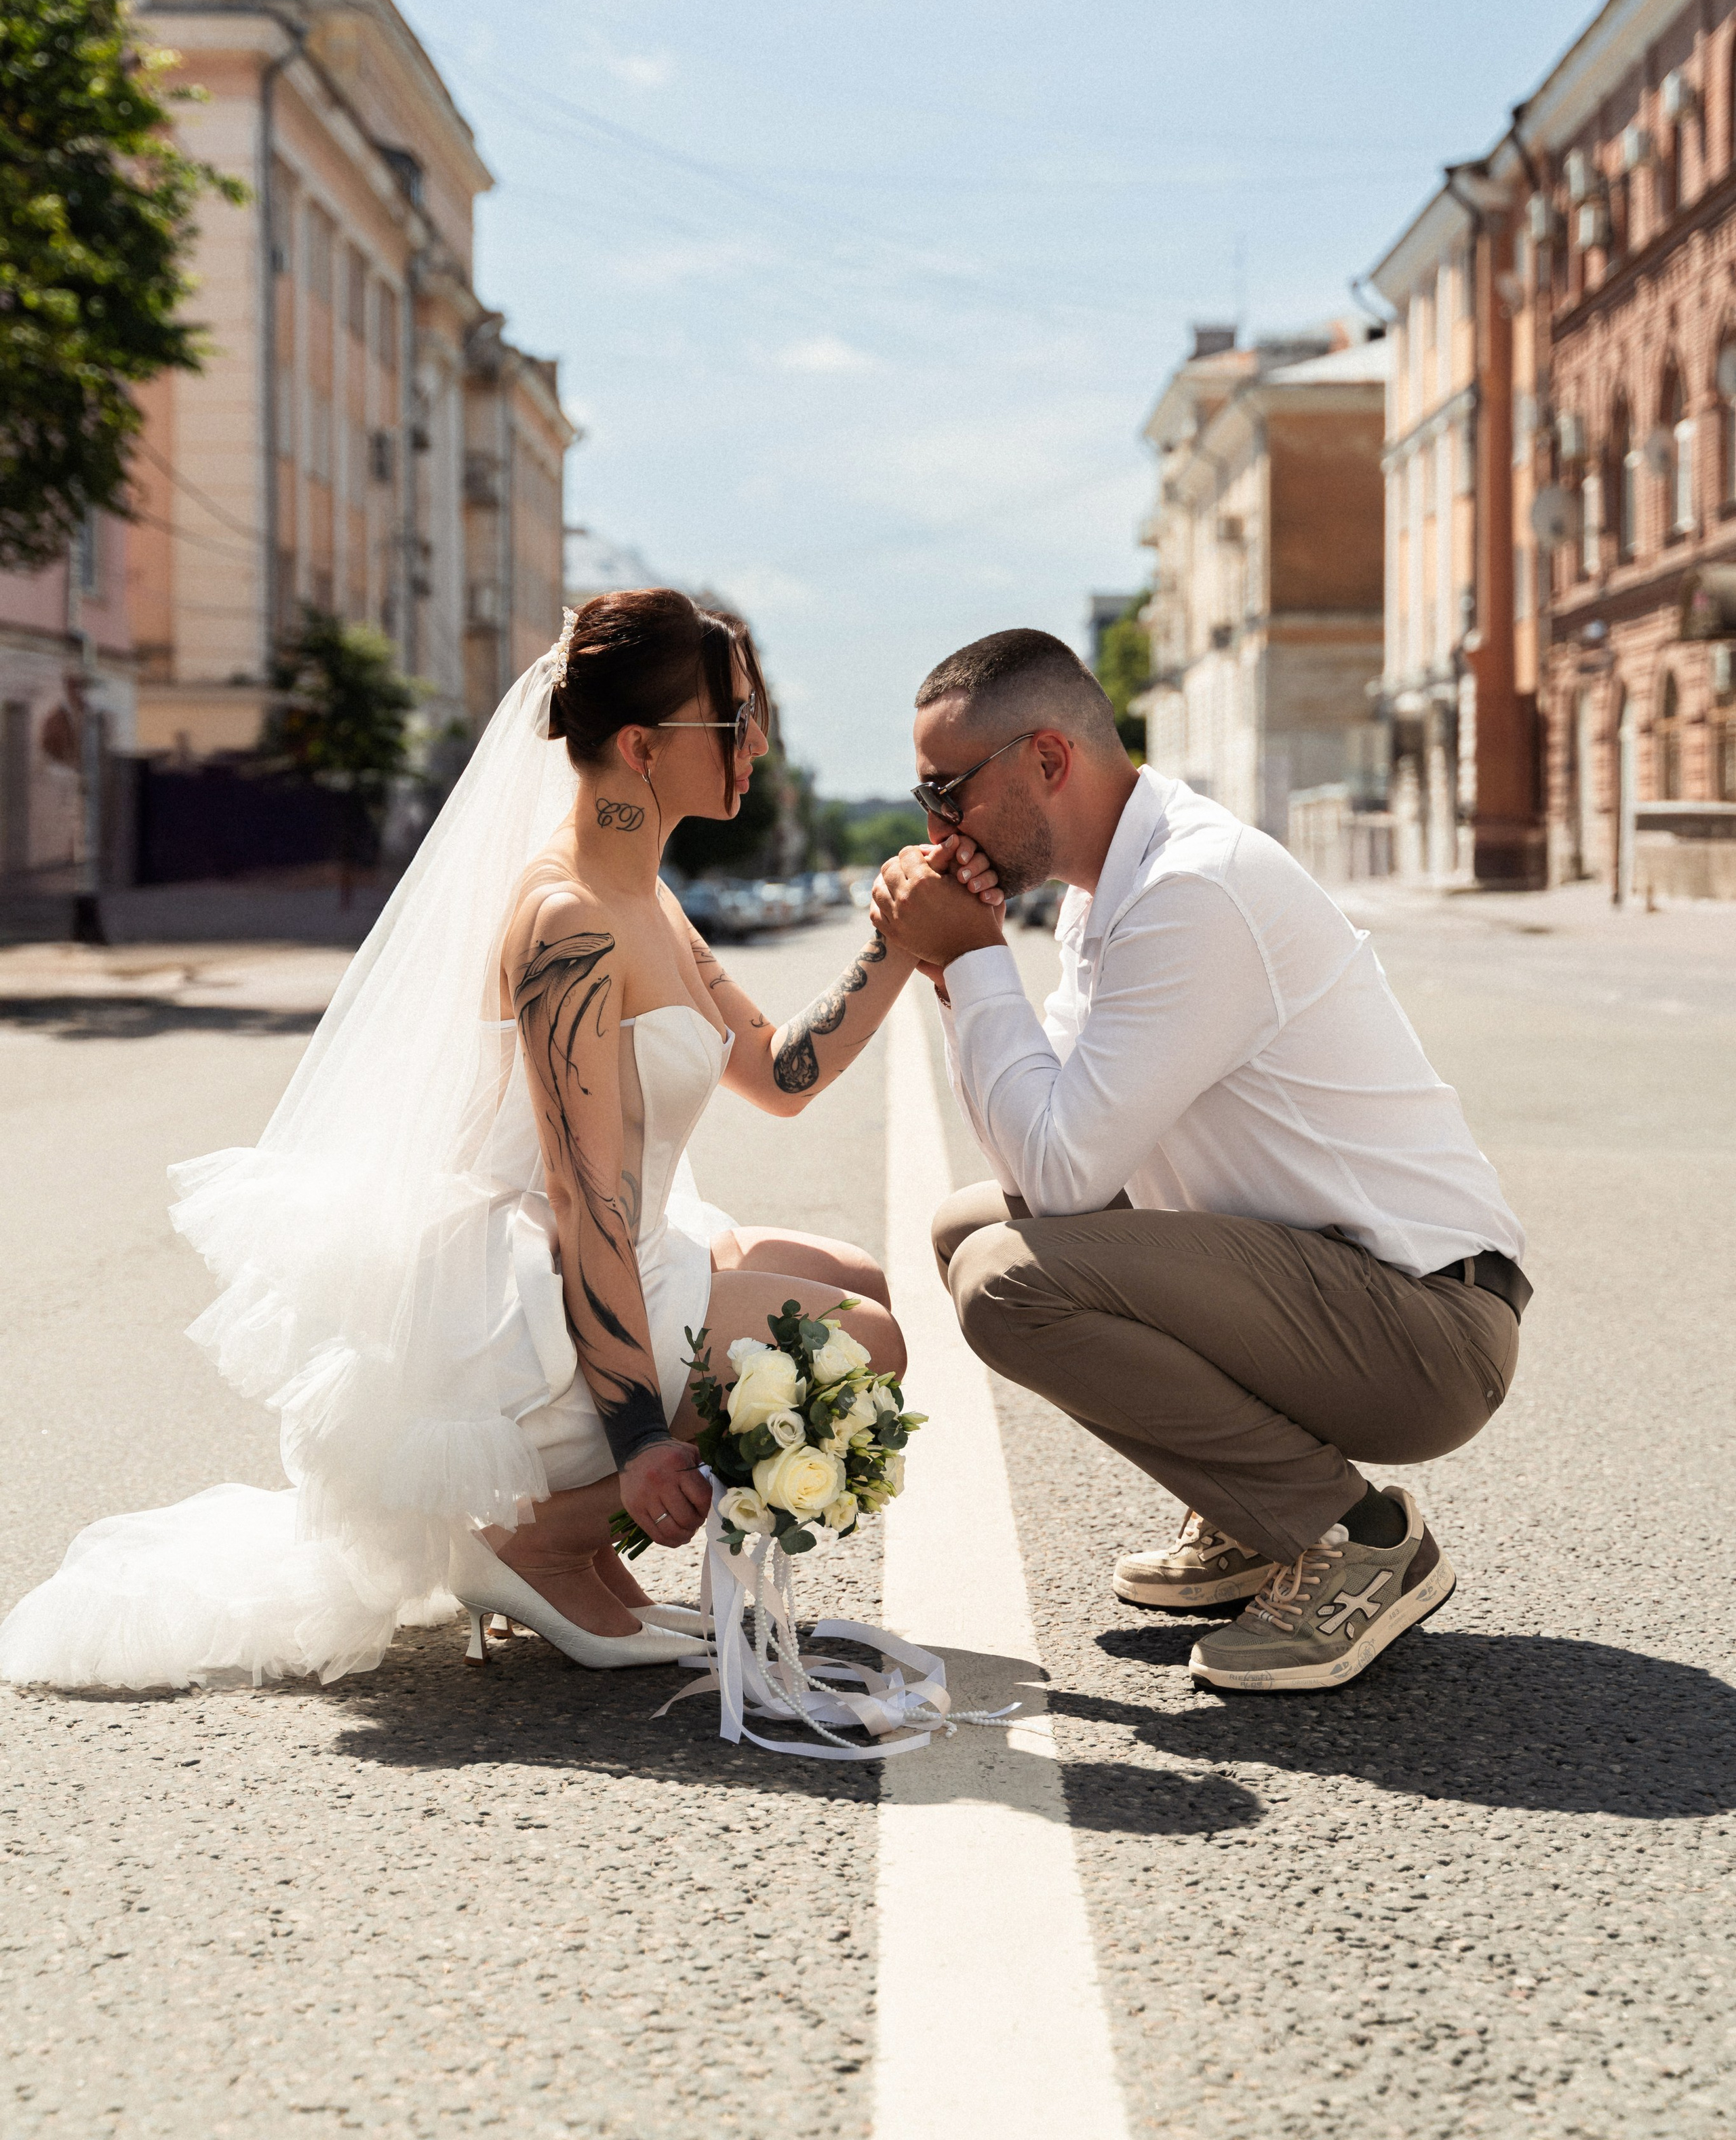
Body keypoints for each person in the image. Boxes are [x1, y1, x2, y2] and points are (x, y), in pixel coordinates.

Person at [1, 591, 911, 1691]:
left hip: (634, 1245)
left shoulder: (649, 901)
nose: (759, 743)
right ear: (640, 746)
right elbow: (583, 1201)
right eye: (735, 720)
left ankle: (569, 1539)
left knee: (852, 1283)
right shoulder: (567, 921)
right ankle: (544, 1533)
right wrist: (637, 1447)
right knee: (867, 1339)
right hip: (541, 1291)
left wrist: (899, 944)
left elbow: (776, 1073)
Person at [871, 627, 1528, 1694]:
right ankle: (1253, 1514)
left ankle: (1356, 1537)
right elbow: (1046, 1159)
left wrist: (969, 953)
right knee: (967, 1228)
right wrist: (961, 977)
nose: (940, 824)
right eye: (925, 801)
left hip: (1426, 1328)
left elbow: (1068, 1173)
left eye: (948, 791)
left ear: (1047, 760)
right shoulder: (1102, 898)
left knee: (1006, 1280)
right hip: (1322, 1288)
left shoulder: (1193, 888)